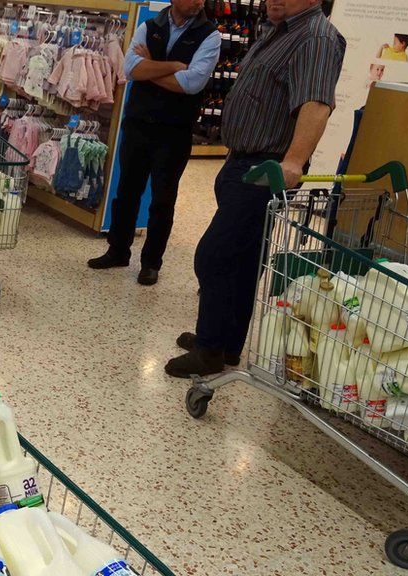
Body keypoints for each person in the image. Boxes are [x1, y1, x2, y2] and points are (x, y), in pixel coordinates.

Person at [165, 0, 345, 378]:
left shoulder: (315, 37)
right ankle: (226, 343)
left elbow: (316, 103)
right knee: (243, 261)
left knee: (214, 256)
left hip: (267, 166)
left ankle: (209, 350)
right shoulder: (280, 30)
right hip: (243, 161)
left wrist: (294, 161)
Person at [86, 0, 220, 286]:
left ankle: (151, 263)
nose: (199, 2)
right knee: (126, 192)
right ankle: (118, 250)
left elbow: (192, 83)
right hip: (138, 124)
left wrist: (151, 68)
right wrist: (173, 66)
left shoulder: (210, 34)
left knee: (163, 199)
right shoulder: (149, 26)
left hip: (175, 131)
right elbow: (131, 69)